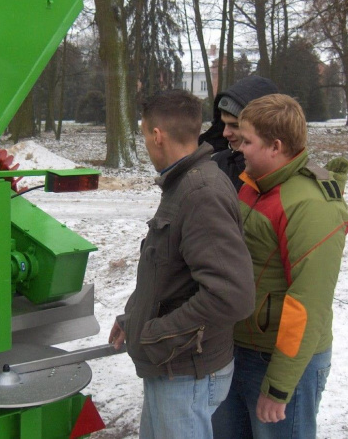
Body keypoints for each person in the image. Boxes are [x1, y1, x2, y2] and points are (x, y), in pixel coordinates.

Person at [109, 89, 255, 439]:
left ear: (157, 135)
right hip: (173, 367)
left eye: (144, 134)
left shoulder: (200, 191)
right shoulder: (184, 184)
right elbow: (172, 275)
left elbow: (232, 294)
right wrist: (135, 318)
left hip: (186, 374)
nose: (146, 143)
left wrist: (156, 334)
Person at [212, 94, 348, 439]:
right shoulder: (253, 186)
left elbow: (308, 303)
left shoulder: (310, 205)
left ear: (275, 146)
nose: (238, 147)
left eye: (247, 141)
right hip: (239, 348)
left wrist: (278, 387)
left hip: (282, 363)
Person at [199, 75, 279, 190]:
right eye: (223, 124)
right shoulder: (217, 166)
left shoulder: (284, 175)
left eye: (235, 125)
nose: (225, 133)